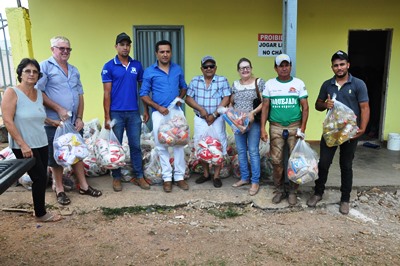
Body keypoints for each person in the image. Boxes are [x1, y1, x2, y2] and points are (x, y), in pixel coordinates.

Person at [37, 36, 102, 205]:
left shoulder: (74, 70)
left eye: (68, 49)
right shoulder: (44, 67)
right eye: (61, 48)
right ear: (53, 49)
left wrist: (80, 117)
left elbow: (79, 95)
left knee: (77, 153)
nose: (65, 51)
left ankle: (84, 186)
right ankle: (59, 189)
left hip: (73, 123)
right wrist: (58, 108)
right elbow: (39, 93)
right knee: (56, 156)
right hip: (54, 123)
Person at [307, 50, 370, 214]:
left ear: (348, 65)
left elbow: (364, 107)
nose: (339, 67)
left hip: (350, 132)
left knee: (346, 165)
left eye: (342, 64)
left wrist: (362, 128)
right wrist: (325, 105)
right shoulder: (327, 84)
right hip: (331, 131)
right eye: (336, 65)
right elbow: (317, 104)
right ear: (332, 67)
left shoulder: (358, 84)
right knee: (324, 163)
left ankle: (345, 199)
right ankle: (318, 192)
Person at [1, 58, 62, 222]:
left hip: (41, 142)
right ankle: (41, 213)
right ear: (20, 73)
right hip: (24, 145)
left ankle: (39, 210)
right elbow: (8, 120)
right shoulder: (12, 93)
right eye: (27, 71)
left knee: (42, 177)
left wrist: (51, 121)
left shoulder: (38, 94)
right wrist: (22, 145)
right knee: (40, 177)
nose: (31, 74)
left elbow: (36, 116)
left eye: (35, 72)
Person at [101, 32, 150, 192]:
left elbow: (143, 90)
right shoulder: (109, 66)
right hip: (116, 113)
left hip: (134, 113)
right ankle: (116, 177)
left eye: (128, 45)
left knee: (136, 146)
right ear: (116, 47)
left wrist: (146, 109)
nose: (125, 47)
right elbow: (106, 93)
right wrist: (107, 116)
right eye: (122, 45)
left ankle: (139, 176)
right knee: (116, 146)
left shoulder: (137, 65)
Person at [140, 40, 188, 193]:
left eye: (168, 51)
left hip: (176, 113)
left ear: (171, 53)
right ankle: (167, 179)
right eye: (162, 52)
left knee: (180, 144)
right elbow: (143, 94)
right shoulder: (149, 71)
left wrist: (179, 99)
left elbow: (184, 87)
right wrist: (157, 107)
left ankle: (179, 177)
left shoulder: (177, 69)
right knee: (162, 147)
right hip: (159, 114)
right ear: (157, 53)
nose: (165, 54)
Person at [261, 54, 309, 205]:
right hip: (275, 127)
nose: (284, 68)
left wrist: (303, 128)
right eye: (280, 65)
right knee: (276, 161)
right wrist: (263, 128)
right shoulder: (269, 84)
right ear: (275, 68)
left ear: (290, 66)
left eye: (286, 65)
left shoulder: (298, 83)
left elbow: (305, 107)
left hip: (295, 126)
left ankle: (294, 191)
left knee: (296, 161)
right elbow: (265, 107)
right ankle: (280, 190)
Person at [185, 56, 231, 188]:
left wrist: (215, 114)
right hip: (201, 119)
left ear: (215, 68)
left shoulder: (222, 80)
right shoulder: (195, 81)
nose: (209, 68)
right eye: (206, 66)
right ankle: (205, 174)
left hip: (217, 119)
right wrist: (202, 110)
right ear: (202, 68)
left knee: (218, 147)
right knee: (201, 146)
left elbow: (227, 98)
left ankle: (216, 176)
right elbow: (188, 98)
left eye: (211, 66)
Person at [230, 58, 265, 196]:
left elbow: (265, 102)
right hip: (238, 124)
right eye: (242, 68)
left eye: (247, 67)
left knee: (253, 151)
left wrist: (252, 113)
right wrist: (233, 116)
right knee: (241, 151)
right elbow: (231, 102)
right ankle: (244, 178)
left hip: (253, 122)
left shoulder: (259, 82)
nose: (245, 70)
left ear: (251, 68)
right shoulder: (235, 85)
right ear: (238, 71)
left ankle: (255, 181)